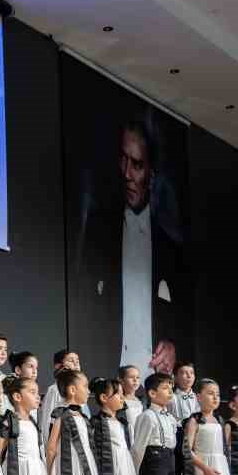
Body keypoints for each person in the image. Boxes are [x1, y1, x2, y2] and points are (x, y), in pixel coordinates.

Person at [72, 114, 185, 375]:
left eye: (137, 165)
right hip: (106, 374)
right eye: (123, 159)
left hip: (153, 378)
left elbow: (182, 321)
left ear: (151, 172)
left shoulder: (169, 248)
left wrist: (172, 345)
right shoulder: (97, 231)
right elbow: (83, 306)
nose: (127, 174)